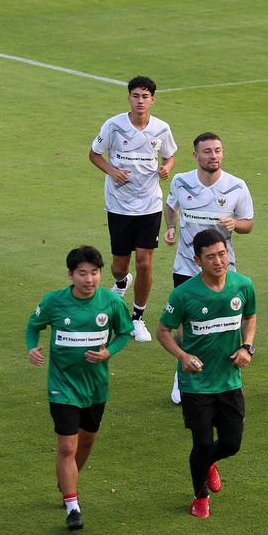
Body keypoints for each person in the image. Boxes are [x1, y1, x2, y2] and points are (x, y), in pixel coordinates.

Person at [26, 246, 134, 531]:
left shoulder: (110, 302)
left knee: (85, 442)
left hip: (96, 387)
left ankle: (66, 481)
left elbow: (124, 333)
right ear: (70, 275)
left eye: (95, 273)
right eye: (82, 273)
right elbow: (32, 325)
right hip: (62, 386)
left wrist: (108, 352)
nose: (89, 279)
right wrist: (31, 347)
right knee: (67, 446)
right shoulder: (54, 301)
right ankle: (72, 505)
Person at [156, 229, 257, 519]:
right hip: (196, 382)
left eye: (222, 254)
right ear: (197, 260)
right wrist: (183, 355)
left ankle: (208, 463)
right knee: (201, 443)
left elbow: (250, 316)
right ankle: (200, 496)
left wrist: (247, 347)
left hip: (228, 380)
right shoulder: (184, 294)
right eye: (210, 256)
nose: (218, 261)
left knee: (231, 444)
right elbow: (163, 331)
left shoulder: (243, 285)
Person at [163, 132, 254, 404]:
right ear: (195, 156)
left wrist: (235, 225)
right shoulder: (181, 182)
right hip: (187, 266)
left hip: (223, 269)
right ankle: (184, 373)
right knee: (184, 325)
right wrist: (170, 227)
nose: (213, 156)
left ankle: (228, 379)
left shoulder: (237, 186)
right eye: (207, 151)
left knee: (227, 323)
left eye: (217, 150)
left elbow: (248, 223)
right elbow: (170, 207)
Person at [88, 75, 177, 343]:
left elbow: (170, 155)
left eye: (145, 96)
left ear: (152, 99)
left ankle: (137, 317)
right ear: (129, 98)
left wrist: (166, 168)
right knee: (119, 265)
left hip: (149, 205)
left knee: (145, 262)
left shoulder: (161, 129)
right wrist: (112, 171)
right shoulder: (114, 126)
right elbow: (94, 154)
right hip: (118, 204)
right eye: (136, 95)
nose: (140, 100)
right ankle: (121, 281)